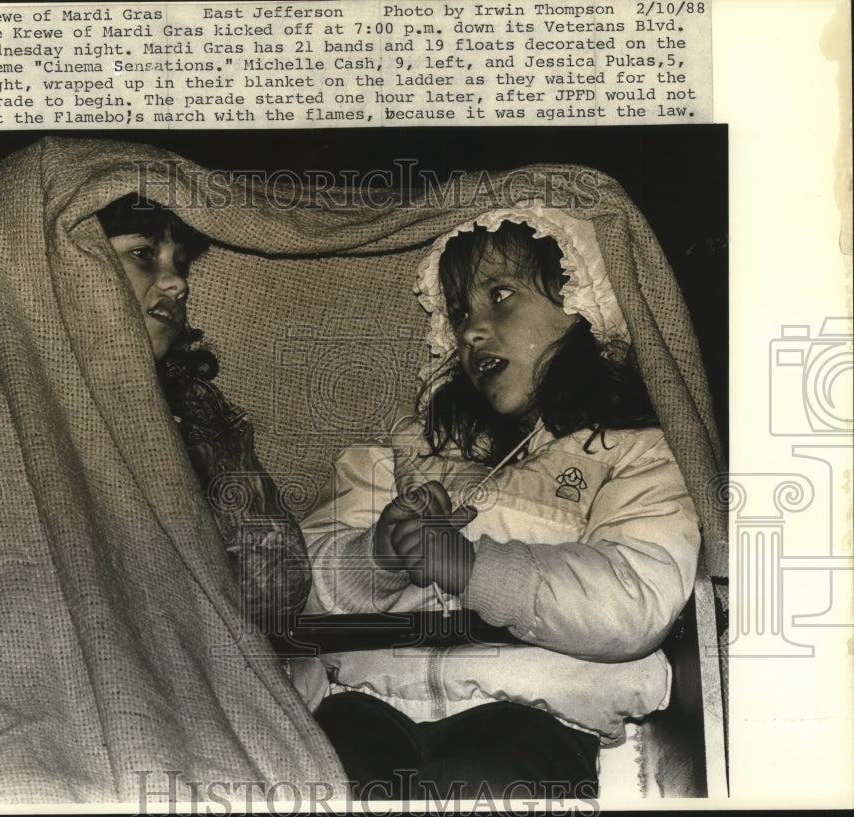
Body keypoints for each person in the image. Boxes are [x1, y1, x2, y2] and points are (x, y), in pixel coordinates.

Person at [297, 210, 703, 799]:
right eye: (460, 313)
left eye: (500, 296)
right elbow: (290, 581)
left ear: (586, 306)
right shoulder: (404, 451)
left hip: (533, 715)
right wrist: (376, 557)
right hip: (361, 702)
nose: (470, 331)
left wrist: (472, 569)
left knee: (476, 786)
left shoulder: (633, 452)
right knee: (317, 779)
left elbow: (633, 598)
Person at [95, 193, 312, 632]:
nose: (177, 283)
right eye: (143, 254)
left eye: (181, 264)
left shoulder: (198, 411)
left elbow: (281, 581)